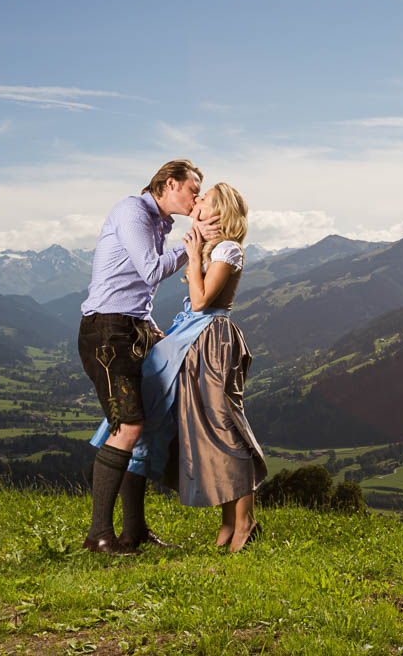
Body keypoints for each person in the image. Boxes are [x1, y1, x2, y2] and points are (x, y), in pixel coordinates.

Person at [79, 159, 218, 555]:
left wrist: (149, 324)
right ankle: (98, 536)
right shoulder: (132, 211)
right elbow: (151, 270)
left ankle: (134, 530)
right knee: (128, 426)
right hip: (107, 333)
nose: (195, 198)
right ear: (169, 184)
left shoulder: (159, 222)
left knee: (145, 427)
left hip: (132, 328)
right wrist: (193, 243)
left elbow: (133, 288)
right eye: (192, 189)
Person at [140, 182, 267, 553]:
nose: (196, 203)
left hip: (214, 341)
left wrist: (194, 255)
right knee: (210, 428)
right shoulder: (213, 247)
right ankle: (229, 523)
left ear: (219, 212)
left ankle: (244, 521)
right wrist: (194, 247)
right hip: (198, 342)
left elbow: (200, 302)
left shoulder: (227, 249)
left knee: (226, 425)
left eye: (204, 200)